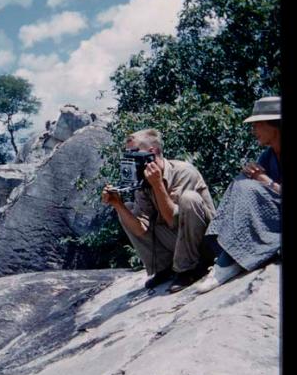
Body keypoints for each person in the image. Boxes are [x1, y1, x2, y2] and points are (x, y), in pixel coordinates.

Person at [102, 128, 216, 293]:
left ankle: (188, 270)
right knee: (128, 208)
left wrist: (157, 185)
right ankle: (165, 268)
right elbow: (141, 229)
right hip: (177, 240)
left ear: (152, 152)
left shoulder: (183, 172)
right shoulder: (143, 182)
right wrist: (117, 204)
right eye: (127, 154)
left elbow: (174, 221)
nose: (129, 158)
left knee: (189, 199)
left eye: (134, 153)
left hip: (203, 244)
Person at [196, 96, 282, 293]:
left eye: (257, 125)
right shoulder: (268, 156)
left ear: (274, 126)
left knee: (246, 187)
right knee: (242, 182)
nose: (254, 132)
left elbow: (264, 187)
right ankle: (229, 253)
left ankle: (230, 260)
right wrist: (253, 176)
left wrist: (264, 180)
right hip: (272, 216)